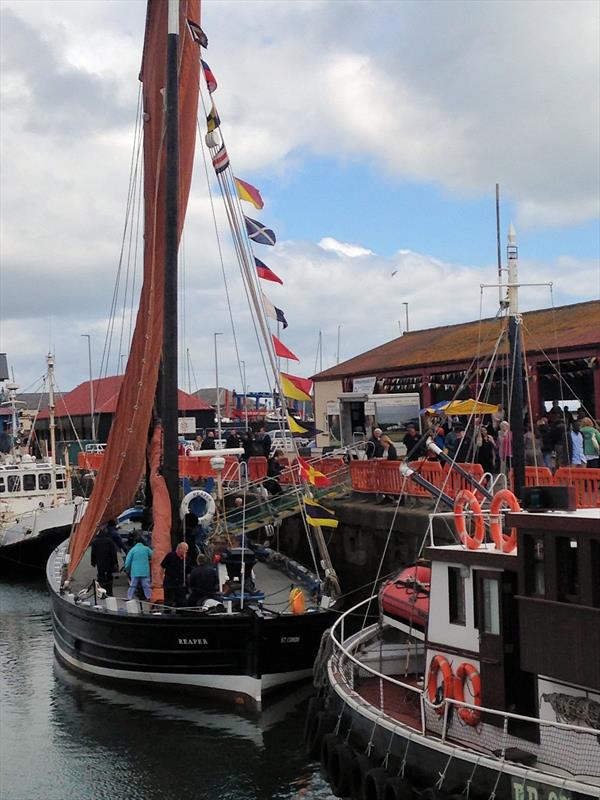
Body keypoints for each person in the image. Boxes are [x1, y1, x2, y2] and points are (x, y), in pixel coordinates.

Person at [160, 542, 191, 609]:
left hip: (180, 583)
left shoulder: (187, 559)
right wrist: (161, 578)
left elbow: (189, 571)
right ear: (180, 549)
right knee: (168, 601)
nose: (186, 551)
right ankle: (167, 614)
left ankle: (180, 614)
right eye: (185, 550)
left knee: (181, 602)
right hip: (169, 582)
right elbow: (162, 566)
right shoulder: (170, 556)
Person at [124, 535, 153, 601]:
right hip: (145, 571)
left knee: (133, 585)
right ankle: (149, 597)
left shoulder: (133, 550)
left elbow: (128, 560)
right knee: (146, 586)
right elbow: (153, 555)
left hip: (135, 571)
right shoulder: (146, 549)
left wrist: (126, 567)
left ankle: (129, 597)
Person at [90, 527, 118, 596]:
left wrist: (93, 562)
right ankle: (109, 592)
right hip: (109, 562)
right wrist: (115, 562)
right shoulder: (110, 541)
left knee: (101, 576)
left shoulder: (95, 542)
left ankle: (101, 592)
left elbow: (93, 553)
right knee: (109, 577)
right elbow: (114, 553)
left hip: (100, 563)